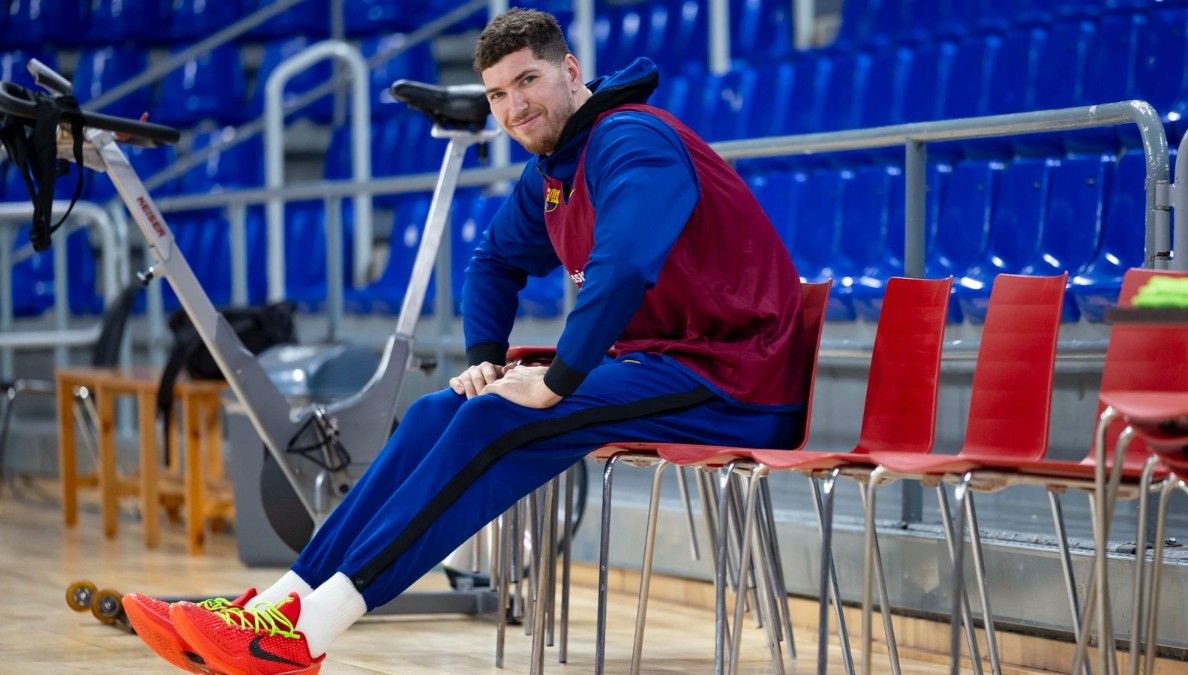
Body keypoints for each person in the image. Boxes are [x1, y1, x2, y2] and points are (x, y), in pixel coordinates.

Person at [123, 8, 809, 674]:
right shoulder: (554, 169)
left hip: (738, 378)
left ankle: (306, 634)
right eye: (498, 94)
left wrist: (555, 377)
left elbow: (623, 265)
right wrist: (487, 359)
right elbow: (493, 262)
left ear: (570, 70)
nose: (514, 108)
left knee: (495, 415)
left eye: (527, 82)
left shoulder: (633, 141)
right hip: (664, 366)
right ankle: (275, 607)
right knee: (436, 410)